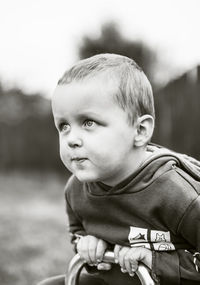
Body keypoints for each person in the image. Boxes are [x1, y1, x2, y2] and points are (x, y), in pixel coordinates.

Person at [39, 53, 200, 285]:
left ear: (140, 131)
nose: (71, 139)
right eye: (63, 125)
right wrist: (87, 242)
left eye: (88, 122)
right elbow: (78, 230)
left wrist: (157, 262)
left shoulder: (177, 192)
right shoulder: (76, 189)